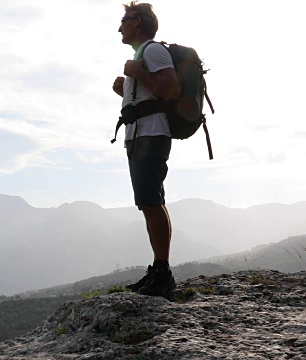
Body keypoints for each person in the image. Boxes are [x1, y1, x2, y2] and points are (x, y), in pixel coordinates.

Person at [112, 1, 179, 296]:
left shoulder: (153, 50)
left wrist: (139, 75)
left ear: (138, 21)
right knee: (148, 202)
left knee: (151, 201)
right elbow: (150, 93)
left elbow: (172, 89)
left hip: (151, 135)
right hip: (139, 135)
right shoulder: (143, 55)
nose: (120, 27)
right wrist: (125, 88)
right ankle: (157, 270)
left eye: (124, 20)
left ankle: (163, 273)